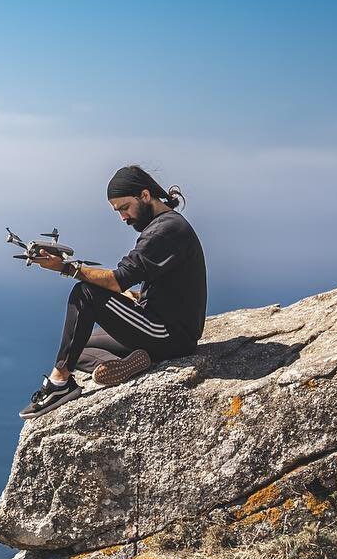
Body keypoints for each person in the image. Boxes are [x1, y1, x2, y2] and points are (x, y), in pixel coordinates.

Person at [19, 164, 208, 419]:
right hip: (157, 325)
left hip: (168, 336)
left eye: (124, 207)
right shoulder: (164, 226)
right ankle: (124, 363)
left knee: (85, 294)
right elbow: (171, 287)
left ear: (144, 195)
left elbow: (120, 279)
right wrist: (138, 297)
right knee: (76, 342)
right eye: (117, 211)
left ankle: (59, 384)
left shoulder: (166, 230)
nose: (123, 217)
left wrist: (66, 267)